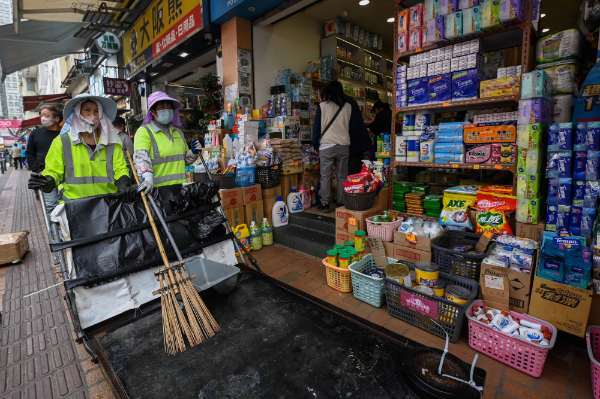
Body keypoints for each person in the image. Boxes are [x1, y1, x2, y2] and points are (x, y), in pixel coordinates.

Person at [27, 94, 136, 203]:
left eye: (97, 111)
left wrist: (124, 185)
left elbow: (120, 168)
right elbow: (54, 171)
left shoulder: (112, 142)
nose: (92, 116)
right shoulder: (62, 142)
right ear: (78, 114)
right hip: (75, 206)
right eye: (87, 111)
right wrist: (47, 181)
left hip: (109, 204)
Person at [312, 81, 372, 213]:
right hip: (344, 147)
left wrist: (315, 144)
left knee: (325, 176)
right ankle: (341, 202)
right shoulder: (348, 107)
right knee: (342, 176)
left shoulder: (322, 106)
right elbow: (353, 129)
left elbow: (316, 128)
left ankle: (325, 204)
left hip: (326, 146)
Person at [133, 91, 202, 193]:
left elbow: (186, 160)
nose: (168, 111)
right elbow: (141, 158)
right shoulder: (144, 132)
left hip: (181, 190)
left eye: (169, 107)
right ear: (152, 112)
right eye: (162, 108)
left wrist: (193, 152)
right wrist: (147, 177)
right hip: (159, 193)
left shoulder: (178, 132)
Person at [26, 105, 64, 210]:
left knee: (66, 203)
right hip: (44, 174)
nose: (42, 118)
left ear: (57, 118)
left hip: (64, 175)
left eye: (46, 115)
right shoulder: (35, 133)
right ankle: (54, 226)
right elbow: (30, 153)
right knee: (51, 204)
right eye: (41, 115)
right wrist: (38, 170)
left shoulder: (65, 134)